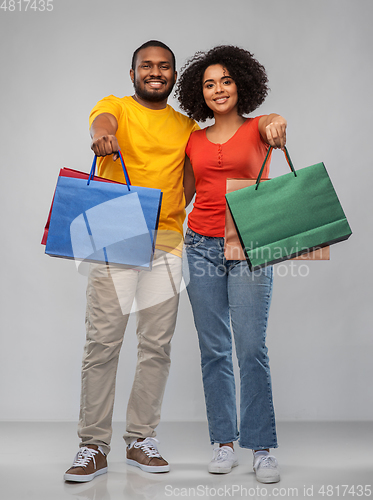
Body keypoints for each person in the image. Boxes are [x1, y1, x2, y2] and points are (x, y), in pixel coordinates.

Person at [64, 40, 199, 482]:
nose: (155, 72)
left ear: (173, 76)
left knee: (156, 347)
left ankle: (141, 438)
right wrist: (101, 136)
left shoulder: (187, 127)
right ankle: (93, 446)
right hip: (116, 238)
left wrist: (170, 219)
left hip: (167, 246)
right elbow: (101, 122)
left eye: (163, 67)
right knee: (103, 344)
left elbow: (188, 184)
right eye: (147, 65)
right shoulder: (116, 107)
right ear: (133, 73)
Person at [176, 45, 287, 484]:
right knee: (214, 349)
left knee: (250, 347)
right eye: (209, 84)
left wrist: (278, 125)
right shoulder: (194, 140)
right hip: (200, 244)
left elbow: (276, 120)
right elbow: (185, 195)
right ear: (199, 94)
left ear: (241, 83)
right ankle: (223, 443)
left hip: (252, 242)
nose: (218, 89)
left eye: (225, 80)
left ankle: (261, 447)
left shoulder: (261, 127)